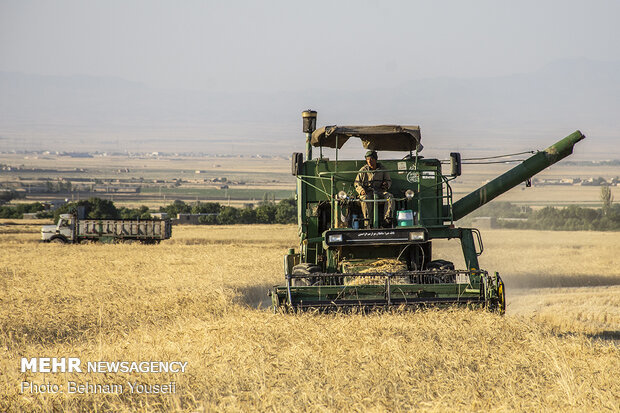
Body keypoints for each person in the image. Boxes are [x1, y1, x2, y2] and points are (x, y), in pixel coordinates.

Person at [354, 150, 395, 227]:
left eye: (371, 159)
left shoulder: (383, 169)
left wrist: (386, 185)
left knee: (390, 197)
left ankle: (387, 220)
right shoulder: (363, 170)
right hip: (367, 192)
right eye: (367, 159)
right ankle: (368, 222)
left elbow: (388, 181)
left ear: (375, 159)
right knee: (364, 198)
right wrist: (361, 190)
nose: (369, 161)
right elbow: (357, 183)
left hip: (380, 191)